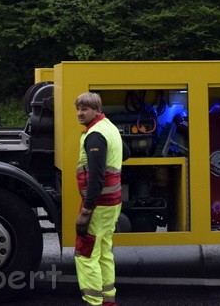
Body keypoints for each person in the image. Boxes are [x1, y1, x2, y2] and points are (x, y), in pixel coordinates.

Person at [74, 91, 126, 306]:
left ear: (97, 110)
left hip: (99, 204)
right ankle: (108, 300)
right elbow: (127, 151)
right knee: (104, 252)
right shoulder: (109, 127)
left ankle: (93, 301)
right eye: (78, 108)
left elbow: (96, 177)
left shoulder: (95, 135)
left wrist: (86, 211)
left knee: (86, 254)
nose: (79, 113)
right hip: (112, 202)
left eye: (85, 109)